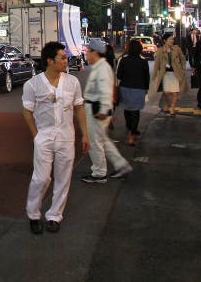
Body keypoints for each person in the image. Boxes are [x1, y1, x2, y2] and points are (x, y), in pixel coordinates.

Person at [23, 41, 89, 234]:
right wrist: (36, 135)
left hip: (66, 137)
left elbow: (79, 108)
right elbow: (27, 111)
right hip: (44, 136)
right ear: (50, 61)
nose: (65, 61)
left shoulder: (72, 82)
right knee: (41, 179)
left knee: (63, 178)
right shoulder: (33, 85)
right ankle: (33, 214)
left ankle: (55, 215)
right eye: (62, 57)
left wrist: (84, 134)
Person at [81, 39, 132, 183]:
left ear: (94, 52)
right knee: (102, 139)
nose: (86, 54)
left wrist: (103, 109)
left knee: (95, 141)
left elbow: (105, 91)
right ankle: (121, 165)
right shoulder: (100, 66)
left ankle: (99, 173)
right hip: (98, 108)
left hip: (96, 109)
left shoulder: (102, 68)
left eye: (88, 51)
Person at [116, 39, 149, 146]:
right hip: (138, 89)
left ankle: (130, 127)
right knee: (135, 112)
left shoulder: (124, 60)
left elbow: (119, 75)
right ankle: (132, 133)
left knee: (127, 109)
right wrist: (146, 89)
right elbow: (146, 77)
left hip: (125, 88)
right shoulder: (143, 61)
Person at [149, 33, 187, 117]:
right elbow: (157, 64)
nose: (172, 41)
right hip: (165, 74)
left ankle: (172, 108)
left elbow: (183, 58)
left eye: (172, 39)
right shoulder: (160, 50)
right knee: (165, 92)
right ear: (165, 40)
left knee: (175, 92)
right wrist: (154, 75)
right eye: (170, 39)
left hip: (175, 73)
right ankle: (167, 104)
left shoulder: (176, 48)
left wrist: (183, 68)